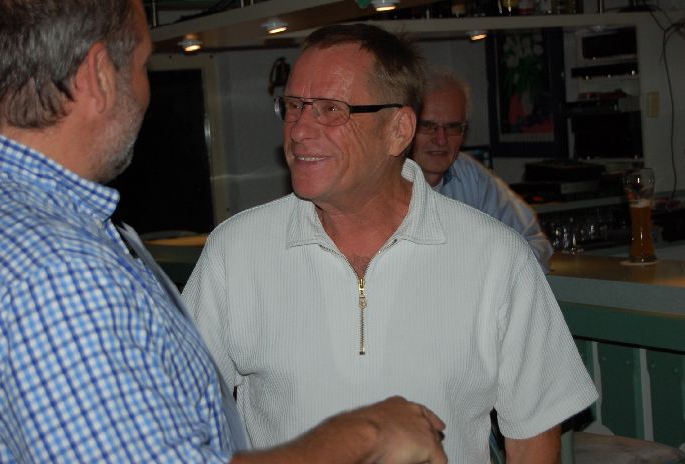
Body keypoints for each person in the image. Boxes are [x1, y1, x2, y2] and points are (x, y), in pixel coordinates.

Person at [0, 2, 448, 463]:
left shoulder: (12, 224)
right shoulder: (58, 274)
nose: (147, 92)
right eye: (143, 66)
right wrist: (368, 433)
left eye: (330, 110)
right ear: (100, 75)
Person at [184, 23, 598, 464]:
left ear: (399, 130)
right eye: (293, 106)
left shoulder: (497, 257)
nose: (299, 130)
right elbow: (178, 414)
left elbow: (533, 439)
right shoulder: (235, 252)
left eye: (330, 109)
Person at [411, 72, 553, 273]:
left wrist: (488, 273)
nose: (441, 140)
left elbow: (535, 242)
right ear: (405, 126)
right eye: (427, 126)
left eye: (453, 127)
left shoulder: (472, 177)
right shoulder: (380, 182)